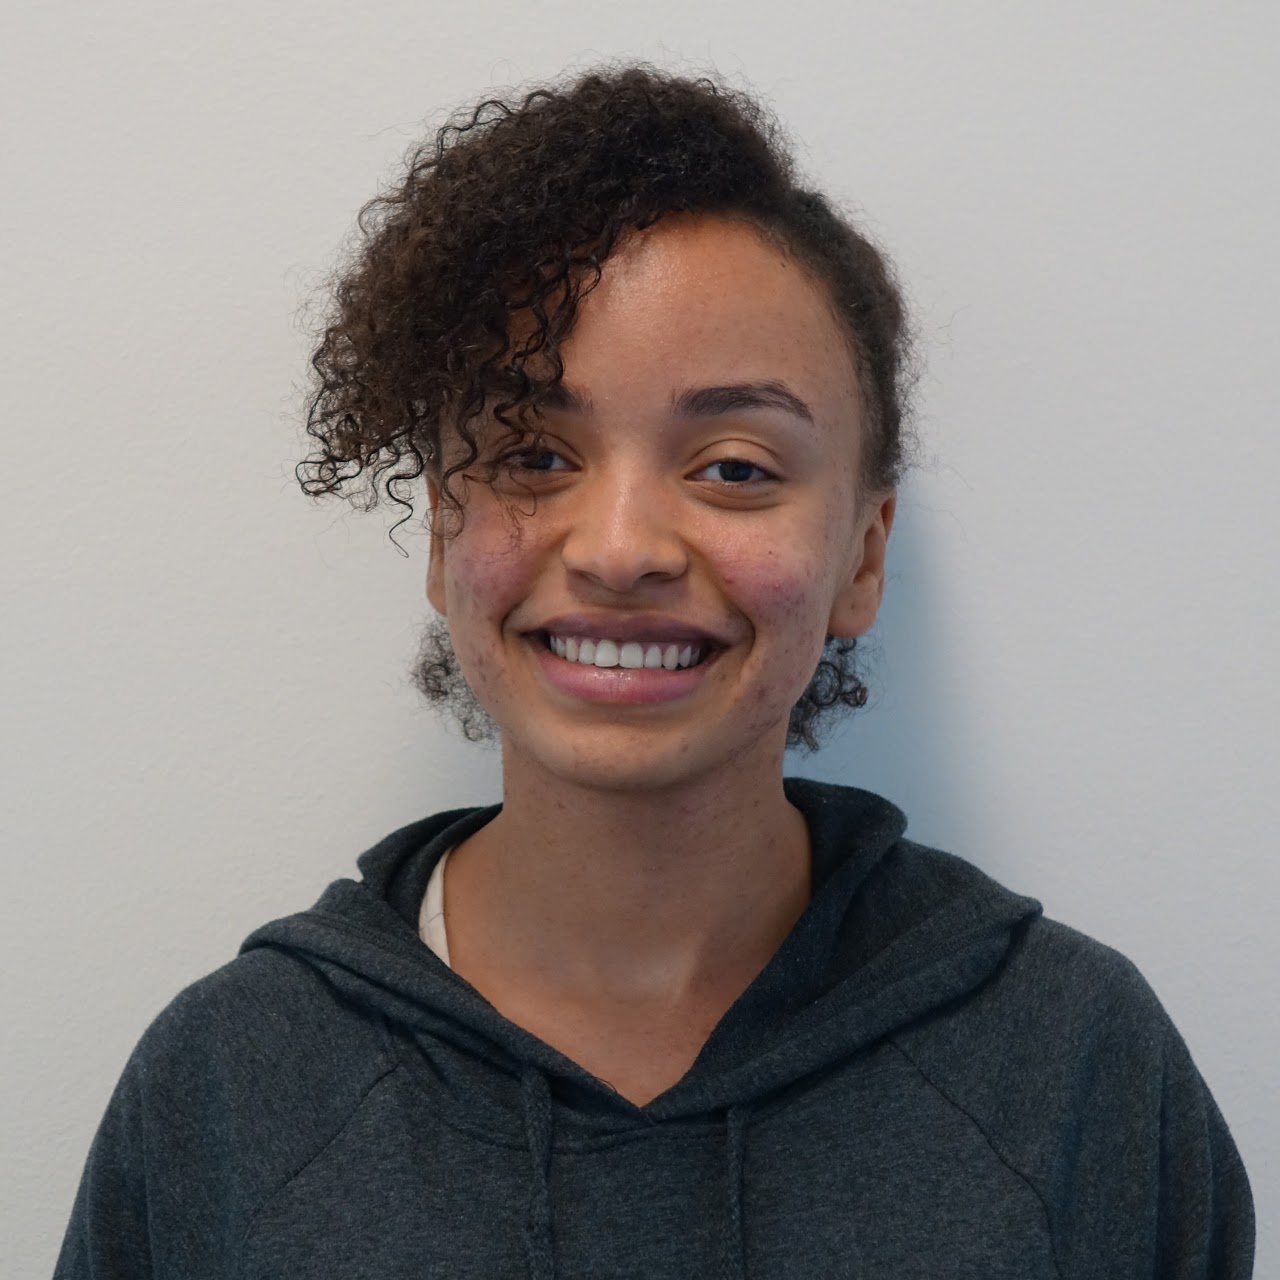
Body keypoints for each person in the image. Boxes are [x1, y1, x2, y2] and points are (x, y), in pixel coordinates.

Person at [55, 64, 1254, 1278]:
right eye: (531, 452)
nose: (620, 548)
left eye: (734, 466)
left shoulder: (1072, 1066)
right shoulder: (228, 1083)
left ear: (861, 554)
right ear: (436, 533)